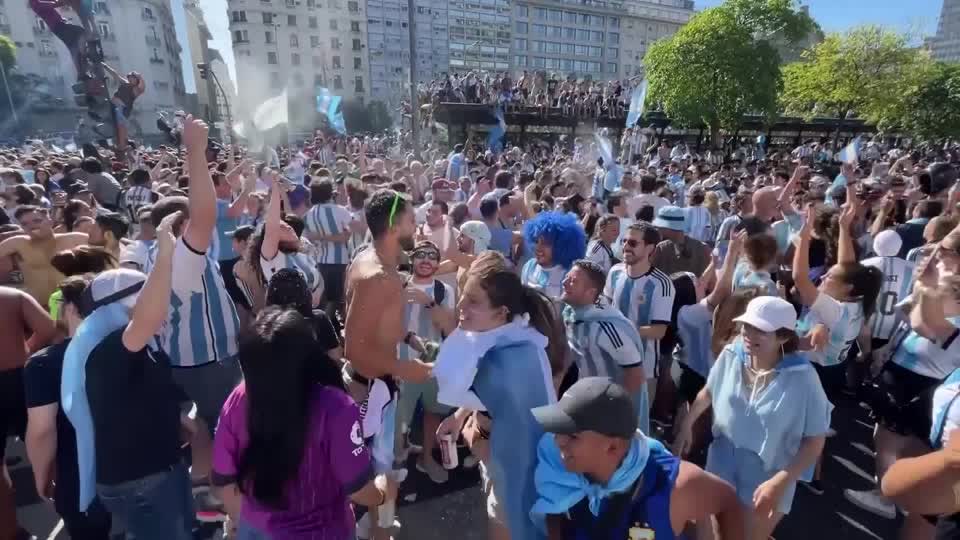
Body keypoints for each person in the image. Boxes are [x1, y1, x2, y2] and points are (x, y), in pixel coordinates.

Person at [212, 306, 398, 539]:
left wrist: (251, 521)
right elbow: (359, 490)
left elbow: (223, 480)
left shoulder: (237, 400)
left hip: (257, 530)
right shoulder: (336, 408)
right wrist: (383, 491)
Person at [65, 211, 194, 539]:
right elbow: (149, 317)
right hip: (141, 483)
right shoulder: (106, 352)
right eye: (143, 301)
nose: (160, 307)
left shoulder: (141, 345)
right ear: (118, 307)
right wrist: (165, 254)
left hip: (161, 469)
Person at [674, 296, 832, 540]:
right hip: (722, 460)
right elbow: (708, 392)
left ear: (783, 337)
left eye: (760, 330)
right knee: (719, 531)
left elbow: (815, 440)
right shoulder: (731, 353)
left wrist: (780, 481)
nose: (748, 334)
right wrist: (687, 424)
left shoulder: (805, 379)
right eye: (747, 326)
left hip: (768, 475)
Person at [433, 262, 565, 540]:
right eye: (463, 296)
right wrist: (459, 416)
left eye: (473, 301)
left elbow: (500, 426)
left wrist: (473, 434)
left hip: (513, 472)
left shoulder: (505, 358)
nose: (461, 307)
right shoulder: (515, 338)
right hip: (511, 463)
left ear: (501, 312)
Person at [531, 377, 746, 540]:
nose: (558, 441)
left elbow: (728, 502)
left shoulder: (675, 484)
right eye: (558, 430)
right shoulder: (558, 475)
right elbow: (555, 521)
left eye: (572, 436)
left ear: (612, 447)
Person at [344, 189, 430, 540]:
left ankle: (381, 525)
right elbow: (353, 347)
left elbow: (375, 325)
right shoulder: (379, 276)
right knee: (375, 473)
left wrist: (408, 339)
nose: (418, 226)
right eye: (412, 220)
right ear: (394, 226)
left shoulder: (370, 259)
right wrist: (403, 369)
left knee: (385, 469)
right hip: (370, 389)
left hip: (379, 385)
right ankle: (379, 532)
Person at [24, 275, 112, 540]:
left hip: (78, 479)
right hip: (140, 473)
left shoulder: (44, 365)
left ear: (72, 308)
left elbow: (42, 431)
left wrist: (41, 476)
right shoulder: (129, 347)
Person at [395, 241, 456, 483]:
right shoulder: (397, 284)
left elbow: (450, 329)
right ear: (412, 259)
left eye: (432, 256)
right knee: (400, 418)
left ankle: (427, 458)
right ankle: (396, 462)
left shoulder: (444, 291)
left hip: (435, 366)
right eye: (420, 255)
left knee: (433, 412)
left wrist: (429, 302)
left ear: (438, 263)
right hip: (402, 365)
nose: (426, 260)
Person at [0, 284, 57, 540]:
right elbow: (48, 327)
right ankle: (74, 507)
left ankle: (9, 532)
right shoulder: (11, 296)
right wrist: (28, 348)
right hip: (18, 380)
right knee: (48, 444)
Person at [561, 259, 647, 427]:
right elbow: (571, 356)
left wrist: (611, 410)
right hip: (587, 401)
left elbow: (636, 375)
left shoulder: (607, 328)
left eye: (573, 281)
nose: (564, 283)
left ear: (590, 293)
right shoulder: (571, 314)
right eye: (566, 277)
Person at [604, 222, 674, 409]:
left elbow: (659, 330)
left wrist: (622, 330)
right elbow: (605, 306)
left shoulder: (662, 284)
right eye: (624, 241)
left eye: (633, 243)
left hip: (643, 368)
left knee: (634, 427)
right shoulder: (614, 272)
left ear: (650, 248)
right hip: (611, 363)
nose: (626, 246)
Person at [0, 205, 87, 303]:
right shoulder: (18, 243)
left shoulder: (74, 239)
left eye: (37, 221)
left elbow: (106, 249)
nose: (31, 226)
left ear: (50, 221)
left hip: (72, 306)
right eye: (24, 224)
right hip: (39, 306)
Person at [304, 178, 354, 323]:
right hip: (339, 261)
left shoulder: (309, 214)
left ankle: (329, 325)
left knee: (326, 297)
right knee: (337, 298)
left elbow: (309, 237)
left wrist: (321, 237)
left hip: (319, 261)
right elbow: (347, 235)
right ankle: (323, 326)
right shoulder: (339, 210)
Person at [521, 211, 587, 302]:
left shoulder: (570, 273)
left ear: (561, 246)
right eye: (536, 241)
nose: (538, 248)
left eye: (546, 243)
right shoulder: (530, 266)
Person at [650, 206, 710, 277]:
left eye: (660, 226)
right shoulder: (661, 248)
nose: (658, 229)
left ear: (670, 226)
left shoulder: (702, 249)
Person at [102, 63, 146, 155]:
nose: (130, 79)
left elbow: (142, 86)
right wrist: (105, 66)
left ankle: (122, 145)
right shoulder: (125, 83)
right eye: (130, 77)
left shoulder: (137, 89)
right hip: (112, 105)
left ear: (136, 80)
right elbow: (115, 75)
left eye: (133, 77)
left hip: (122, 108)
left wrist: (140, 76)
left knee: (121, 124)